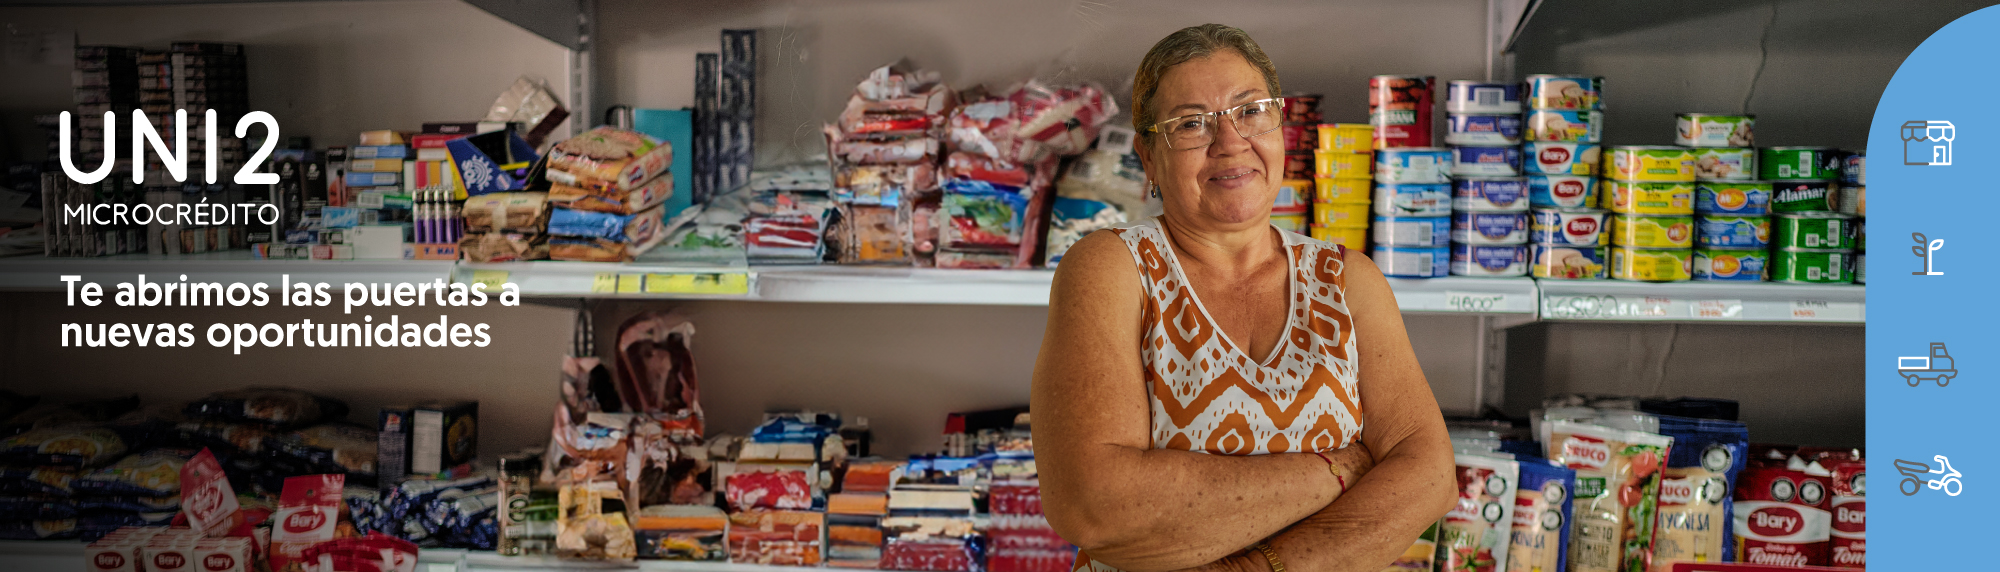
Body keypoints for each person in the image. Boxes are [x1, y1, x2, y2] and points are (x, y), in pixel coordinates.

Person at [1030, 24, 1456, 572]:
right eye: (1191, 124)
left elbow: (1431, 478)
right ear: (1149, 157)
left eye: (1251, 111)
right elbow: (1094, 505)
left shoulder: (1347, 280)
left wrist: (1255, 568)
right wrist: (1339, 469)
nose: (1230, 142)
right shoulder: (1113, 268)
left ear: (1281, 128)